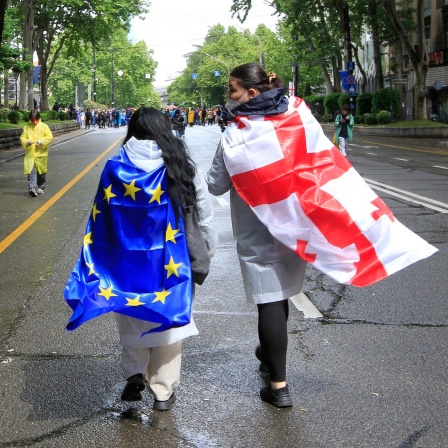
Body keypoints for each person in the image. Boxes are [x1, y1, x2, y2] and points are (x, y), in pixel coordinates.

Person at [206, 63, 306, 408]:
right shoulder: (294, 122)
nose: (228, 95)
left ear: (250, 94)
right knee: (283, 293)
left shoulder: (236, 133)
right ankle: (268, 352)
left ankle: (278, 386)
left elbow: (215, 184)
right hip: (294, 224)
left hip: (255, 231)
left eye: (232, 89)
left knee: (270, 300)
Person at [20, 110, 54, 197]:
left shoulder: (44, 126)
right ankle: (32, 188)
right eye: (32, 119)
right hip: (30, 154)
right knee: (31, 171)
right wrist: (28, 142)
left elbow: (49, 137)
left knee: (41, 172)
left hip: (41, 154)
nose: (34, 121)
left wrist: (41, 142)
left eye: (35, 119)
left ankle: (41, 187)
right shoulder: (27, 127)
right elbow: (23, 138)